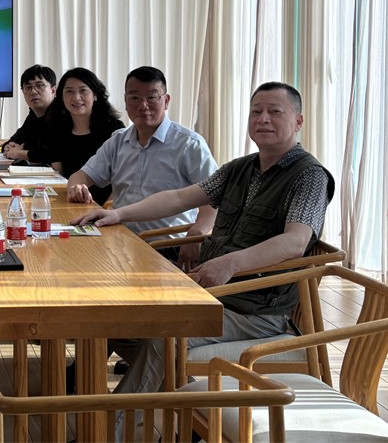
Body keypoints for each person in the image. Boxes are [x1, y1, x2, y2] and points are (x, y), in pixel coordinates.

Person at [73, 81, 335, 404]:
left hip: (255, 311)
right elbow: (179, 198)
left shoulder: (309, 176)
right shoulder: (241, 168)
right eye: (256, 111)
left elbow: (295, 242)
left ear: (298, 121)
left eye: (275, 112)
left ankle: (114, 426)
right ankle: (188, 406)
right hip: (209, 293)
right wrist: (118, 214)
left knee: (163, 339)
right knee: (119, 320)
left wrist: (231, 263)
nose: (263, 118)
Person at [66, 66, 218, 266]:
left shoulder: (189, 144)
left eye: (152, 97)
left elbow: (215, 196)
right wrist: (77, 186)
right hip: (118, 239)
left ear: (166, 101)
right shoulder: (118, 141)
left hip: (166, 246)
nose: (143, 105)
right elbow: (82, 175)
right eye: (134, 97)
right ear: (125, 101)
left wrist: (198, 231)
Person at [48, 67, 124, 205]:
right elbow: (58, 174)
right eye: (69, 91)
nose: (76, 98)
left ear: (95, 95)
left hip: (107, 206)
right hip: (71, 201)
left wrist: (106, 210)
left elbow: (122, 180)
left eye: (83, 90)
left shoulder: (114, 129)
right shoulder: (57, 129)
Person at [2, 65, 57, 163]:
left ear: (53, 90)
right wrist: (8, 147)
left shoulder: (61, 114)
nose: (33, 92)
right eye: (28, 87)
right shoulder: (33, 115)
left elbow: (53, 153)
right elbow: (15, 139)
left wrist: (19, 153)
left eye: (39, 86)